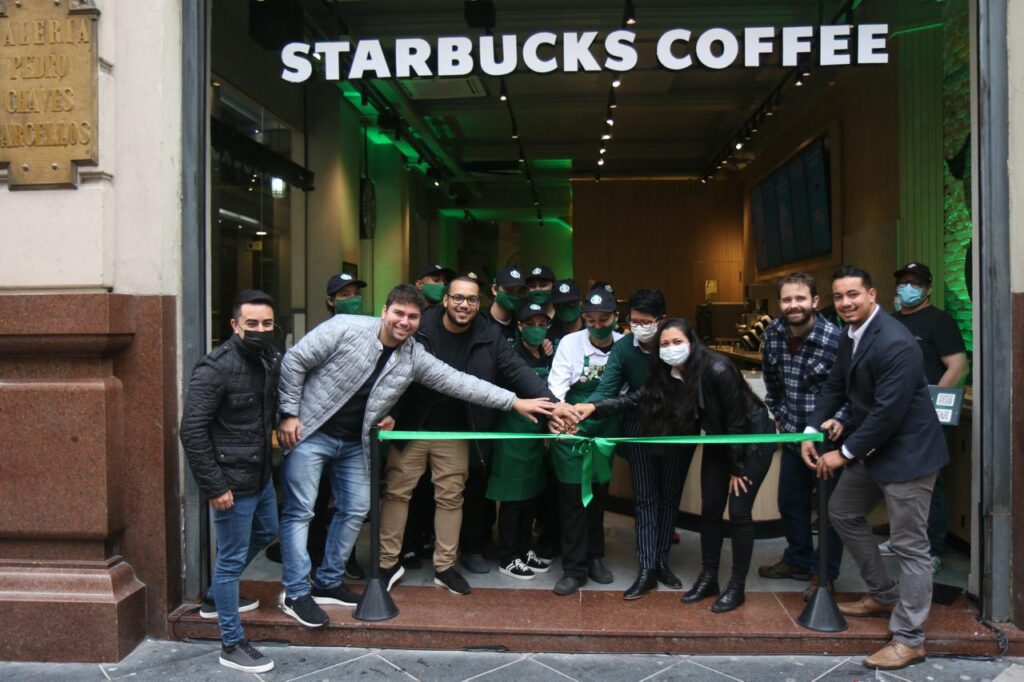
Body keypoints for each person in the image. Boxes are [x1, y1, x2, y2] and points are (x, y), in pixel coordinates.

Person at [276, 283, 555, 627]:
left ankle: (328, 582)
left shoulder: (414, 356)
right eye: (398, 314)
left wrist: (515, 401)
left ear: (420, 319)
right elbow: (294, 361)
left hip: (356, 442)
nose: (404, 322)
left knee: (356, 509)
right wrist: (289, 412)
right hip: (313, 432)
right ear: (384, 311)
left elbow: (461, 382)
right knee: (300, 511)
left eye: (412, 316)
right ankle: (295, 592)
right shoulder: (344, 328)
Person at [378, 276, 574, 594]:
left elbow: (517, 370)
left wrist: (554, 404)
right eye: (457, 298)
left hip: (456, 430)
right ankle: (387, 564)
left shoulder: (488, 334)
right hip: (411, 426)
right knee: (398, 493)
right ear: (445, 300)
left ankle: (445, 566)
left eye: (470, 300)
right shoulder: (421, 326)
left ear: (478, 303)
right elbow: (395, 370)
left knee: (452, 498)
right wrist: (390, 413)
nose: (463, 305)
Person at [801, 266, 949, 671]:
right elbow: (837, 385)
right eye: (839, 296)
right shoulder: (852, 335)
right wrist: (813, 430)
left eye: (853, 295)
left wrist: (843, 452)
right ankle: (884, 594)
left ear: (872, 294)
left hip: (908, 456)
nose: (846, 303)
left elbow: (888, 412)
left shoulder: (896, 341)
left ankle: (910, 638)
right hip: (874, 449)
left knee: (910, 547)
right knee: (842, 511)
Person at [581, 318, 775, 613]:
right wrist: (594, 407)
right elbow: (638, 397)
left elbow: (737, 421)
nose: (671, 349)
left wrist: (737, 468)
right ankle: (709, 578)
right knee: (709, 510)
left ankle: (737, 586)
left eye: (677, 342)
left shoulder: (718, 368)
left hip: (750, 441)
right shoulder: (668, 373)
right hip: (718, 440)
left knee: (738, 513)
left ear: (692, 342)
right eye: (665, 344)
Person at [179, 289, 281, 673]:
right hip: (230, 483)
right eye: (251, 323)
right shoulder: (215, 367)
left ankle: (216, 596)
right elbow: (191, 430)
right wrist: (214, 486)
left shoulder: (270, 358)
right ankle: (231, 642)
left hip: (260, 475)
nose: (260, 330)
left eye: (267, 323)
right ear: (235, 325)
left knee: (267, 530)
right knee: (231, 560)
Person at [585, 288, 690, 600]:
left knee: (670, 498)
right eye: (634, 321)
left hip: (676, 430)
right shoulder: (622, 349)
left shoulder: (676, 344)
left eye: (646, 321)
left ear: (662, 320)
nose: (639, 327)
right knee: (645, 498)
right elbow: (607, 388)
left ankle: (661, 563)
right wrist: (581, 410)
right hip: (638, 429)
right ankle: (646, 568)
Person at [757, 273, 849, 601]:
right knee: (791, 503)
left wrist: (839, 419)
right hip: (795, 438)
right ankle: (797, 560)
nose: (793, 305)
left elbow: (852, 391)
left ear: (814, 301)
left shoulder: (836, 339)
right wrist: (781, 418)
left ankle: (823, 574)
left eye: (800, 299)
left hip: (828, 442)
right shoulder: (773, 335)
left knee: (829, 511)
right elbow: (773, 385)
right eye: (786, 300)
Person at [879, 262, 969, 573]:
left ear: (928, 288)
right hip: (894, 415)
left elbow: (958, 367)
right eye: (903, 281)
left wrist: (928, 409)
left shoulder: (939, 321)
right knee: (895, 478)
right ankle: (900, 538)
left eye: (915, 282)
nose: (907, 287)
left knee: (929, 481)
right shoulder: (890, 322)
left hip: (928, 417)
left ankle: (931, 548)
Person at [546, 287, 622, 596]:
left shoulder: (624, 345)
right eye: (590, 319)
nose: (597, 325)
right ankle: (573, 568)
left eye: (604, 319)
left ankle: (595, 557)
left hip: (605, 426)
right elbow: (557, 384)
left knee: (598, 495)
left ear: (615, 317)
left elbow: (625, 389)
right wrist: (562, 416)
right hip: (571, 428)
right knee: (572, 499)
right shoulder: (569, 343)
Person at [487, 301, 556, 579]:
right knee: (512, 499)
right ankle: (508, 556)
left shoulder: (547, 354)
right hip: (512, 437)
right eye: (530, 324)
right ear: (519, 327)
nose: (537, 330)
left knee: (531, 495)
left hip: (536, 438)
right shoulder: (509, 356)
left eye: (542, 324)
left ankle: (525, 548)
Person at [482, 266, 528, 345]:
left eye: (520, 291)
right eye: (509, 290)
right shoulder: (480, 322)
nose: (515, 295)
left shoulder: (523, 322)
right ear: (495, 289)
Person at [548, 278, 583, 345]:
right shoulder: (548, 338)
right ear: (554, 306)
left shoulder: (593, 329)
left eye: (572, 302)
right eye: (560, 305)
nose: (567, 307)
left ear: (580, 302)